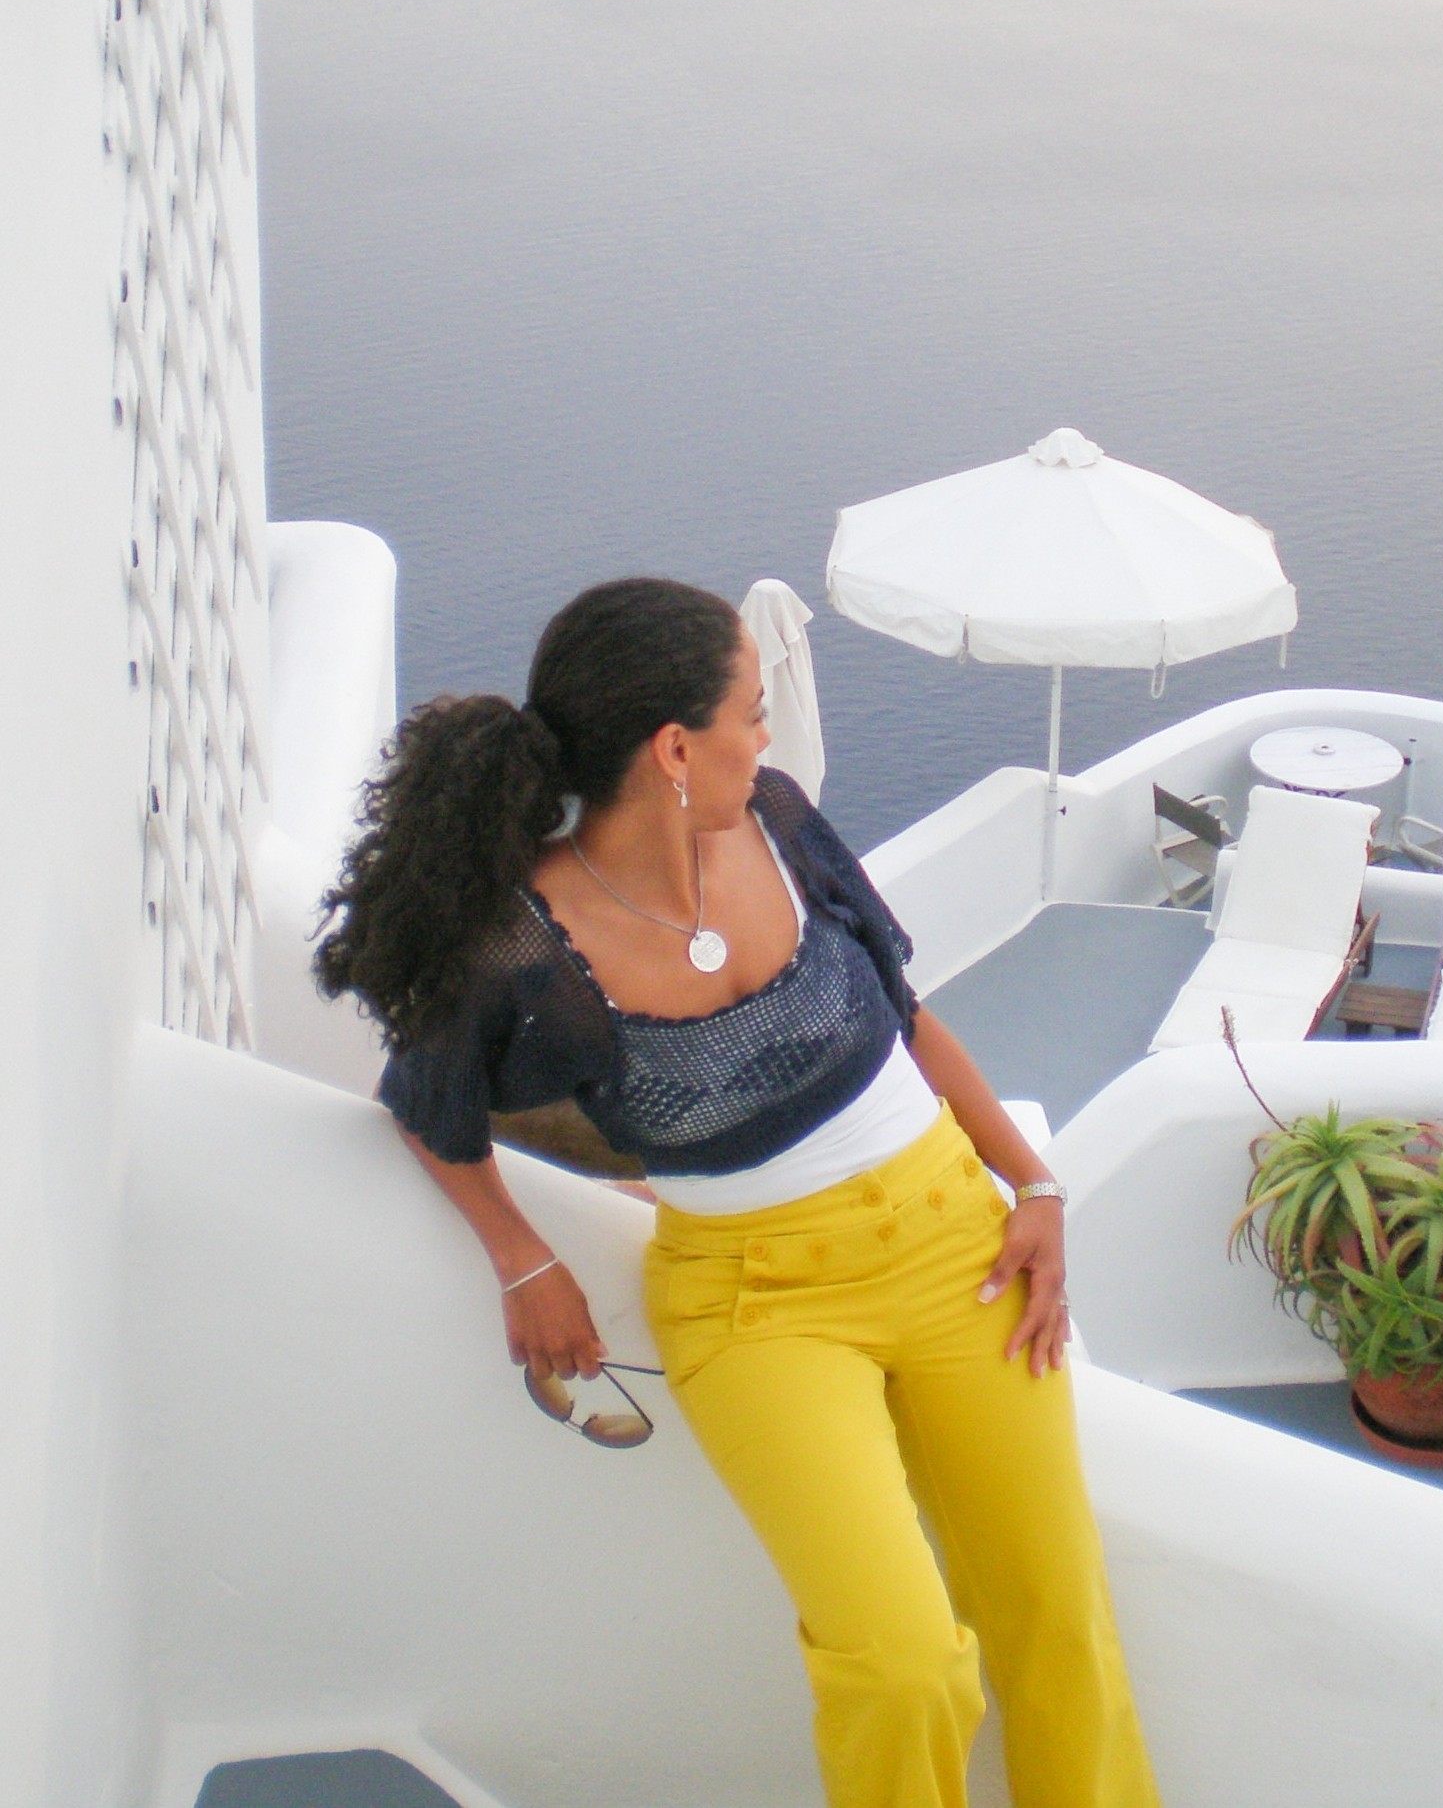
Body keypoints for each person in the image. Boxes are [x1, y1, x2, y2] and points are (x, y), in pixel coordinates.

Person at [316, 577, 1160, 1808]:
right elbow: (427, 1108)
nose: (764, 738)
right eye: (749, 712)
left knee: (1058, 1619)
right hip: (756, 1306)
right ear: (672, 748)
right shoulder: (526, 948)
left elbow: (905, 1021)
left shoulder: (780, 819)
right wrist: (524, 1260)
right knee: (902, 1664)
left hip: (953, 1247)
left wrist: (1034, 1184)